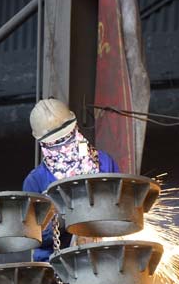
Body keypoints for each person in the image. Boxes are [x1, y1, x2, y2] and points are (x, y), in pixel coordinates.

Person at [23, 98, 120, 261]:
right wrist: (62, 220)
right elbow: (31, 237)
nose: (64, 146)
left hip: (104, 257)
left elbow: (121, 205)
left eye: (67, 137)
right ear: (43, 143)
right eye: (56, 142)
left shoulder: (103, 162)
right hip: (56, 266)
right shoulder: (36, 181)